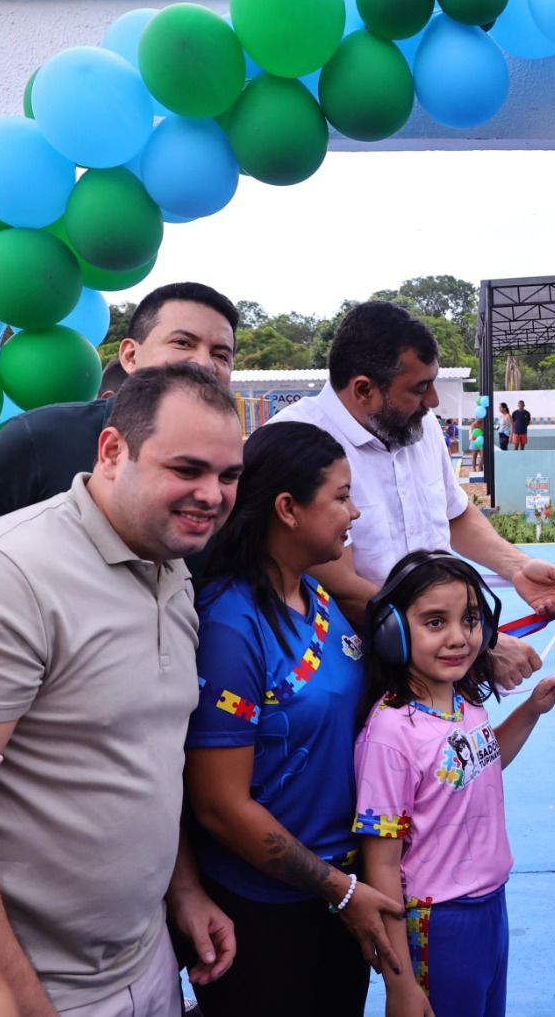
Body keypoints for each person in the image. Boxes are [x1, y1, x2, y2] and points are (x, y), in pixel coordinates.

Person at [0, 364, 244, 1016]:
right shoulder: (5, 577)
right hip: (32, 988)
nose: (212, 494)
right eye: (187, 469)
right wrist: (20, 1004)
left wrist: (183, 890)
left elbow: (146, 759)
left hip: (149, 963)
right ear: (112, 452)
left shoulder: (171, 569)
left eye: (228, 476)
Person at [183, 422, 404, 1016]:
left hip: (338, 893)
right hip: (267, 912)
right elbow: (219, 806)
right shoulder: (232, 627)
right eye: (340, 496)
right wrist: (340, 890)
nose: (354, 512)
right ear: (287, 508)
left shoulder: (318, 598)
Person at [263, 301, 555, 672]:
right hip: (357, 669)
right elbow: (342, 587)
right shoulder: (295, 444)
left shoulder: (419, 426)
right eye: (420, 387)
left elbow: (453, 514)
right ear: (363, 389)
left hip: (437, 660)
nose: (433, 401)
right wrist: (475, 646)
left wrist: (518, 566)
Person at [353, 551, 555, 1017]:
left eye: (471, 619)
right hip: (439, 921)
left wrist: (531, 710)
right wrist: (399, 983)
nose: (459, 638)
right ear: (394, 631)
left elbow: (482, 761)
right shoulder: (392, 734)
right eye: (436, 622)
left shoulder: (462, 701)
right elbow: (381, 861)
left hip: (489, 907)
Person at [0, 281, 239, 529]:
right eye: (183, 343)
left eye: (221, 355)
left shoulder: (231, 472)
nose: (204, 363)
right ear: (129, 356)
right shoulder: (38, 437)